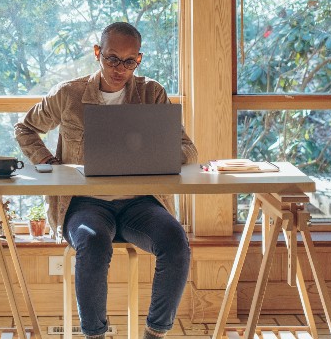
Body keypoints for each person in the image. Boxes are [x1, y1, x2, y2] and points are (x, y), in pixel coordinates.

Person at [14, 22, 198, 339]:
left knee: (175, 241)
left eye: (129, 61)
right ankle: (95, 334)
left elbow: (188, 150)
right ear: (98, 53)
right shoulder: (68, 94)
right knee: (93, 242)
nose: (119, 68)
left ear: (139, 59)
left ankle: (155, 333)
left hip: (140, 203)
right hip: (84, 204)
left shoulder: (151, 93)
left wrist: (154, 154)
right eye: (112, 58)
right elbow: (25, 128)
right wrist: (47, 161)